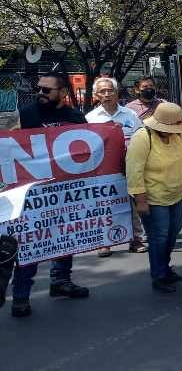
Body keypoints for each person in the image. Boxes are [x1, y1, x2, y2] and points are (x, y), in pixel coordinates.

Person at [9, 73, 90, 318]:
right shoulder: (26, 114)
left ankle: (61, 281)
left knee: (65, 236)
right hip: (32, 193)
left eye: (47, 90)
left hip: (66, 191)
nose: (40, 93)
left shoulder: (76, 118)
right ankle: (21, 296)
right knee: (32, 242)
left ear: (63, 93)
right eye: (39, 89)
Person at [127, 102, 182, 293]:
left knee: (173, 231)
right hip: (152, 197)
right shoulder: (143, 137)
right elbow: (134, 170)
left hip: (174, 194)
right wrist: (140, 200)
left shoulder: (178, 135)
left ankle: (164, 266)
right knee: (159, 236)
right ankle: (159, 275)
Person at [86, 77, 147, 257]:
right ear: (96, 95)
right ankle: (105, 242)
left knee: (132, 204)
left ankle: (136, 240)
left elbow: (141, 138)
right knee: (105, 205)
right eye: (102, 91)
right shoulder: (90, 118)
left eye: (110, 90)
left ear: (117, 92)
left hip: (129, 167)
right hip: (103, 171)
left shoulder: (130, 115)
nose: (107, 94)